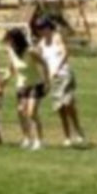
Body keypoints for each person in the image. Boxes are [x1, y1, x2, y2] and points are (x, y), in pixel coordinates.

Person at [35, 17, 86, 147]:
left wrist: (57, 68)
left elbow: (65, 52)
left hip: (65, 75)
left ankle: (78, 131)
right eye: (39, 29)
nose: (41, 31)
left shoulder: (57, 37)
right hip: (54, 79)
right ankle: (67, 137)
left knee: (68, 103)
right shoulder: (41, 44)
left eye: (43, 27)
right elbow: (40, 62)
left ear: (49, 27)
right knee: (60, 108)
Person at [4, 28, 50, 150]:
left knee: (31, 112)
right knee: (21, 111)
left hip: (35, 84)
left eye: (11, 40)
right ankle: (27, 138)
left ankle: (40, 141)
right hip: (21, 85)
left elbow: (44, 64)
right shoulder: (10, 51)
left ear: (17, 40)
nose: (9, 42)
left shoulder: (30, 52)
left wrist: (47, 83)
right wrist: (3, 81)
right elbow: (11, 69)